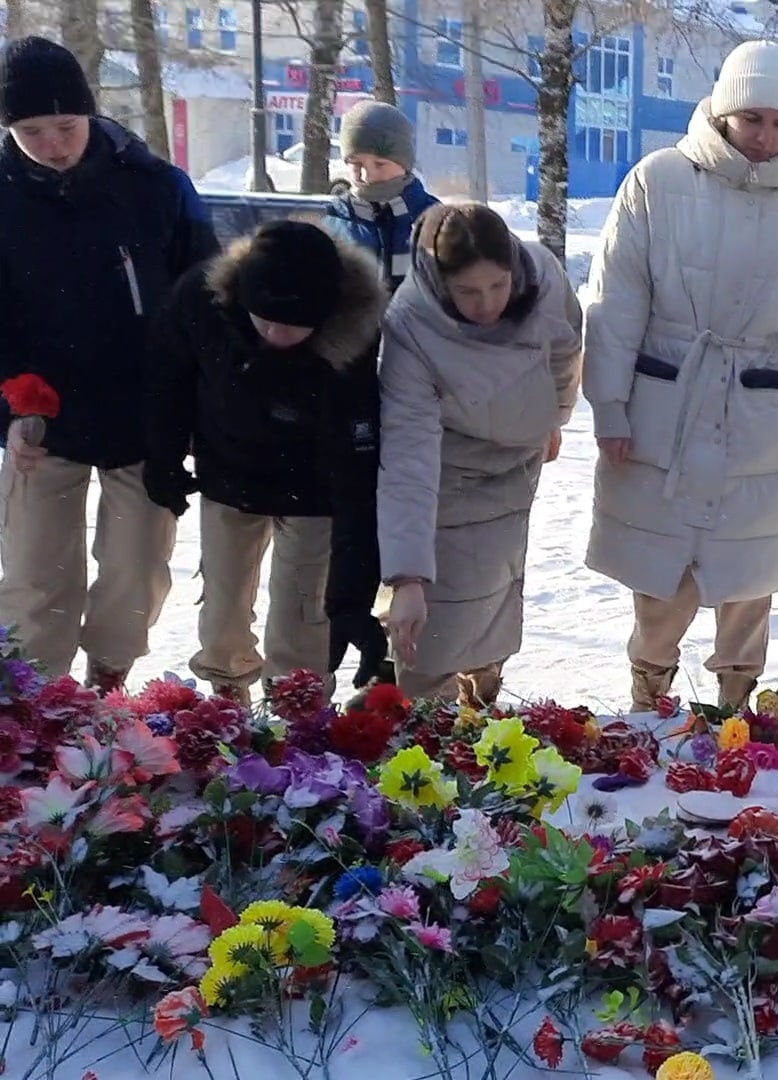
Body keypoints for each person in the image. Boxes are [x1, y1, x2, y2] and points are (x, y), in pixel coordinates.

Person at [582, 41, 778, 713]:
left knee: (748, 574)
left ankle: (734, 705)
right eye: (753, 118)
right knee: (661, 574)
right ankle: (649, 693)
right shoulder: (657, 180)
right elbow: (615, 301)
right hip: (663, 404)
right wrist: (609, 403)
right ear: (725, 112)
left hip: (760, 414)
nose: (766, 136)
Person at [0, 37, 218, 691]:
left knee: (136, 570)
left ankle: (106, 681)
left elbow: (206, 297)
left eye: (65, 126)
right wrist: (7, 413)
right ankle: (37, 704)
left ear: (91, 115)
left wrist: (193, 403)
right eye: (30, 130)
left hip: (143, 416)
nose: (53, 144)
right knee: (35, 575)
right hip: (38, 419)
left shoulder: (156, 187)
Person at [144, 221, 385, 703]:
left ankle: (297, 707)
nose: (276, 333)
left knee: (303, 614)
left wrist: (353, 591)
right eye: (264, 319)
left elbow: (357, 451)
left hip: (316, 488)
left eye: (293, 325)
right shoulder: (201, 297)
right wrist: (164, 457)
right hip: (229, 473)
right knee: (222, 612)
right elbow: (167, 378)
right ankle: (227, 696)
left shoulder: (353, 330)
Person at [377, 203, 582, 706]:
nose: (486, 304)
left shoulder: (544, 277)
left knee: (497, 586)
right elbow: (407, 454)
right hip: (449, 469)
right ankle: (428, 723)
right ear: (440, 281)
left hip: (518, 465)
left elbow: (565, 349)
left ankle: (482, 695)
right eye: (467, 291)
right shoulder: (410, 323)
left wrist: (550, 414)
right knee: (440, 612)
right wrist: (406, 575)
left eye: (497, 286)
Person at [324, 101, 440, 293]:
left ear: (405, 164)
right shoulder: (334, 220)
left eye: (380, 164)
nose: (367, 175)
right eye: (356, 164)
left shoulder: (432, 218)